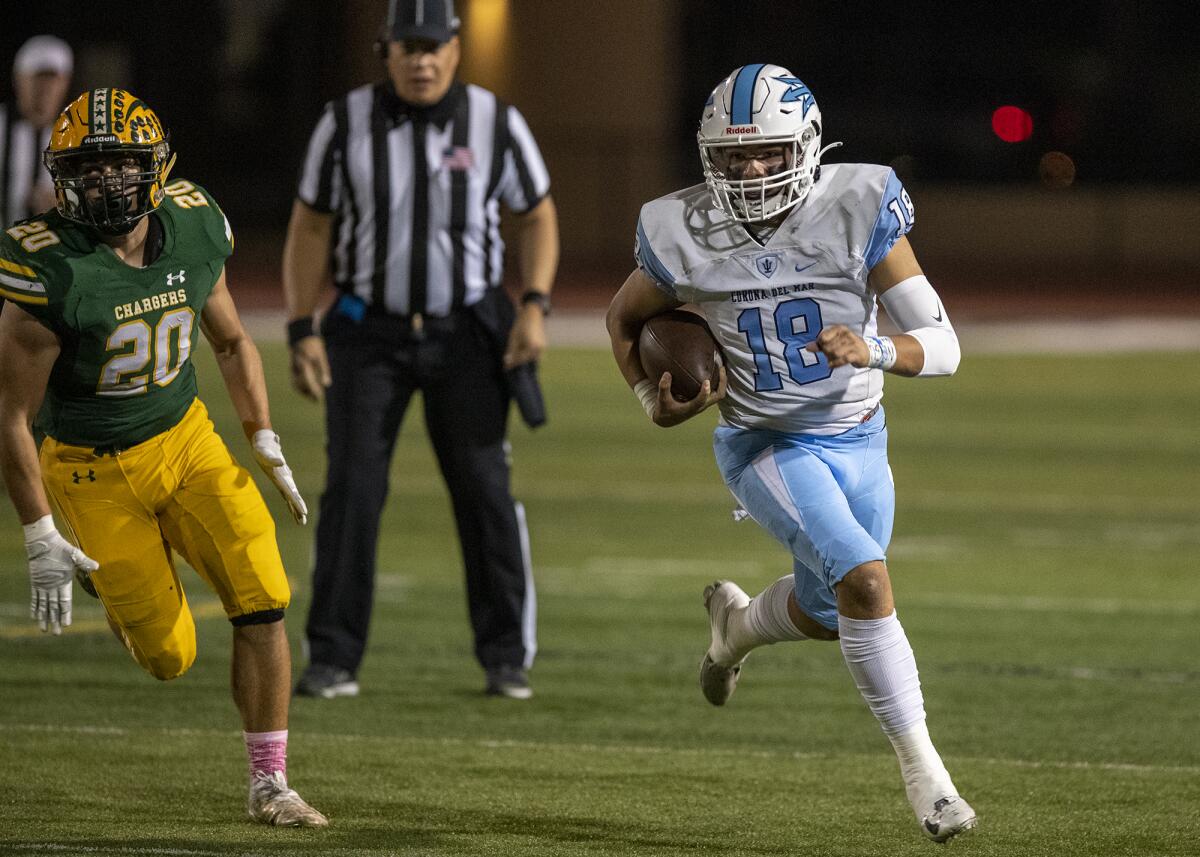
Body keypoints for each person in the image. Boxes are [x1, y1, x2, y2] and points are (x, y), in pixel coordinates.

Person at [606, 64, 977, 843]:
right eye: (734, 157)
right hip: (766, 442)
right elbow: (622, 320)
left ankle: (735, 627)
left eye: (768, 153)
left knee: (831, 610)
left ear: (806, 147)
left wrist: (874, 348)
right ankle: (927, 777)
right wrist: (651, 400)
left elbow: (944, 345)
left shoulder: (859, 205)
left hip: (859, 435)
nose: (749, 170)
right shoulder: (681, 229)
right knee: (867, 581)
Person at [0, 88, 327, 828]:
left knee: (263, 587)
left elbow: (234, 341)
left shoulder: (192, 223)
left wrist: (262, 434)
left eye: (123, 165)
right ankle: (120, 575)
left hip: (186, 440)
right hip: (91, 465)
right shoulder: (49, 266)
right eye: (91, 166)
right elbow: (10, 416)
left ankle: (270, 782)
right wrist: (39, 534)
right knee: (168, 655)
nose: (109, 181)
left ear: (156, 167)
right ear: (62, 174)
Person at [284, 0, 559, 701]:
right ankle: (334, 656)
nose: (422, 59)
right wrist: (300, 325)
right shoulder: (342, 122)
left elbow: (535, 214)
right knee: (352, 489)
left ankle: (505, 655)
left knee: (484, 489)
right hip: (367, 329)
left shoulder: (496, 121)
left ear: (457, 49)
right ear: (386, 51)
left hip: (466, 330)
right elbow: (310, 228)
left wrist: (534, 304)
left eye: (434, 46)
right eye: (408, 46)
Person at [2, 35, 72, 228]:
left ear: (65, 83)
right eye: (37, 79)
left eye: (53, 80)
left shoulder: (75, 135)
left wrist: (64, 205)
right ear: (18, 79)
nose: (46, 89)